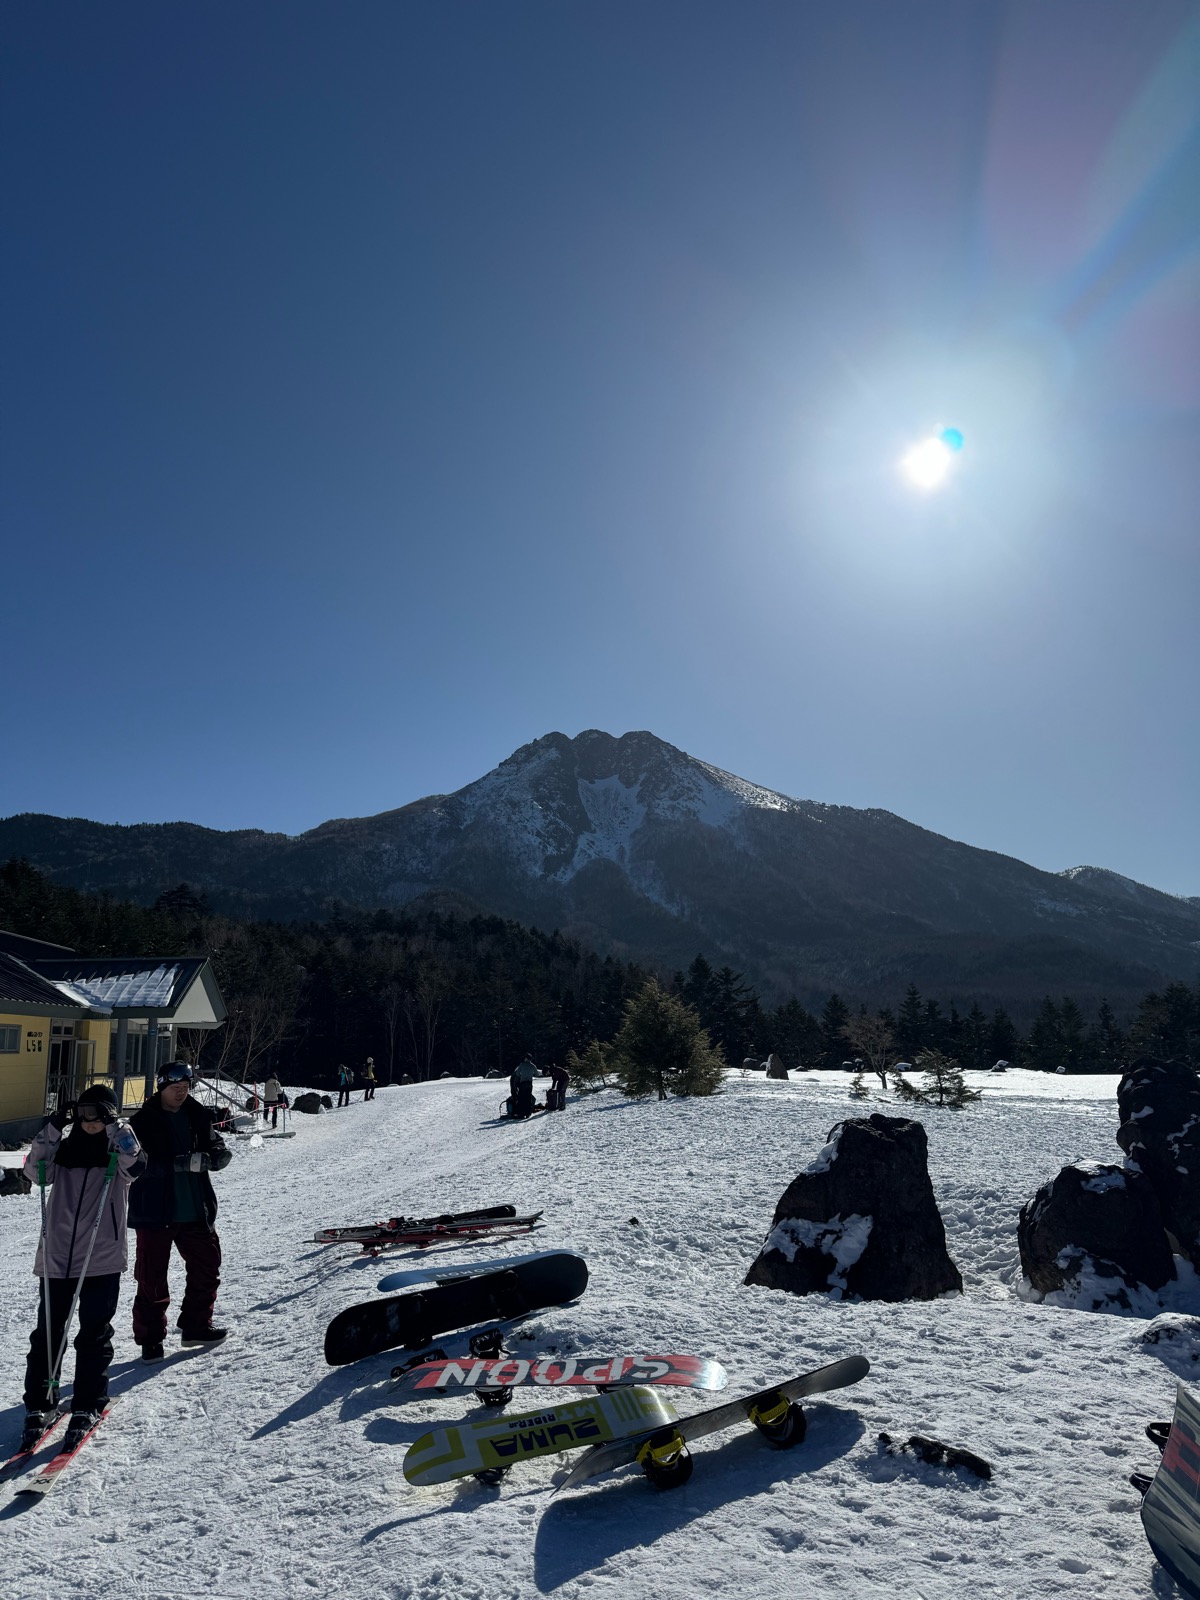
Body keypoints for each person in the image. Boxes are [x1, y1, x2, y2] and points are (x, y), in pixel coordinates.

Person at [20, 1084, 145, 1453]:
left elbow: (137, 1163)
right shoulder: (61, 1153)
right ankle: (41, 1402)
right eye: (84, 1113)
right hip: (57, 1258)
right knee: (47, 1333)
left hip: (100, 1258)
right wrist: (53, 1126)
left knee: (93, 1334)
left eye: (98, 1114)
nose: (90, 1122)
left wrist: (116, 1126)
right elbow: (34, 1172)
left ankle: (88, 1402)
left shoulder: (117, 1152)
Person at [128, 1061, 232, 1361]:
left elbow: (214, 1142)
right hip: (154, 1211)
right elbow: (135, 1165)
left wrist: (218, 1154)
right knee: (151, 1277)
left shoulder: (197, 1115)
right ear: (161, 1087)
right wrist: (177, 1164)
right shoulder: (141, 1122)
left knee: (207, 1267)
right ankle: (151, 1339)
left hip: (195, 1207)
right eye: (175, 1088)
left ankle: (196, 1326)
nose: (181, 1093)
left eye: (185, 1088)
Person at [509, 1054, 537, 1120]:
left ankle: (521, 1113)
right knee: (528, 1098)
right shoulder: (532, 1065)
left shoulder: (522, 1065)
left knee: (521, 1098)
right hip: (529, 1083)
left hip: (523, 1083)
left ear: (525, 1058)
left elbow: (517, 1074)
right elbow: (536, 1074)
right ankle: (527, 1113)